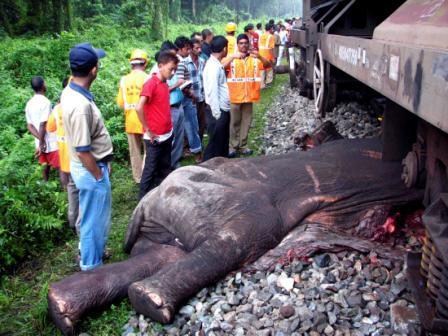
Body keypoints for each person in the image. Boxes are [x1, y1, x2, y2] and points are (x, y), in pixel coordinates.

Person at [61, 43, 113, 271]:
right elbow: (83, 150)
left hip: (90, 166)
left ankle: (93, 254)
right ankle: (92, 268)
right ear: (94, 69)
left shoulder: (72, 90)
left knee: (94, 217)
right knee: (93, 221)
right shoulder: (79, 105)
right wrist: (98, 175)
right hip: (90, 169)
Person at [136, 51, 179, 199]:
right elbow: (138, 107)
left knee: (165, 166)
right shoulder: (151, 83)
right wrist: (148, 130)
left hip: (167, 133)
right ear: (160, 66)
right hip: (155, 137)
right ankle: (142, 200)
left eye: (175, 70)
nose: (172, 73)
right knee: (150, 169)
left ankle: (162, 196)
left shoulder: (164, 83)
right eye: (170, 69)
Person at [223, 34, 270, 158]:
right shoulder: (232, 58)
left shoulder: (254, 59)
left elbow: (267, 64)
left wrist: (259, 55)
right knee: (234, 122)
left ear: (248, 44)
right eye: (241, 43)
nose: (243, 45)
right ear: (237, 45)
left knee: (246, 122)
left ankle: (243, 145)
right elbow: (221, 66)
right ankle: (232, 146)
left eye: (245, 43)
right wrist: (233, 56)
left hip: (249, 96)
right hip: (235, 96)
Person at [47, 77, 80, 233]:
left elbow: (50, 127)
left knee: (71, 190)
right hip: (78, 157)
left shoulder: (57, 109)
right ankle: (80, 223)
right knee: (83, 191)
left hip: (65, 159)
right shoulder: (77, 105)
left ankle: (72, 221)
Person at [116, 49, 149, 184]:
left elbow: (120, 103)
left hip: (130, 121)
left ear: (131, 64)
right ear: (145, 63)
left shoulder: (124, 80)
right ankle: (147, 175)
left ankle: (138, 178)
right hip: (146, 121)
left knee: (134, 152)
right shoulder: (148, 78)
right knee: (149, 150)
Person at [152, 42, 185, 170]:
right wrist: (177, 85)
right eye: (172, 54)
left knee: (178, 136)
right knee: (170, 138)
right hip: (169, 107)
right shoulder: (157, 71)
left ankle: (174, 162)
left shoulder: (172, 67)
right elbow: (162, 90)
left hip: (178, 104)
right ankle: (166, 166)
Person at [25, 76, 60, 181]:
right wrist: (42, 141)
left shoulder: (29, 104)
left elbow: (29, 126)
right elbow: (43, 124)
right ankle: (65, 188)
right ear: (43, 85)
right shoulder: (46, 102)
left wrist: (39, 142)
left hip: (39, 141)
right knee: (60, 166)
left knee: (44, 165)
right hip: (50, 140)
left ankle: (45, 185)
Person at [202, 36, 231, 161]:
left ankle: (223, 165)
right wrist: (217, 114)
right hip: (217, 111)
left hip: (221, 109)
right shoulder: (213, 67)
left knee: (222, 142)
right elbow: (212, 91)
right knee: (215, 144)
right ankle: (206, 168)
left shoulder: (215, 64)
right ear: (224, 49)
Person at [175, 36, 202, 161]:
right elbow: (181, 82)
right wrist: (191, 94)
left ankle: (182, 152)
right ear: (180, 49)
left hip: (179, 99)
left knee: (186, 127)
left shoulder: (177, 61)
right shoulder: (181, 62)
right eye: (187, 48)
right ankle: (197, 153)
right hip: (185, 99)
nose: (189, 51)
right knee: (191, 125)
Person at [185, 38, 207, 142]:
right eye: (197, 48)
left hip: (201, 97)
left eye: (200, 48)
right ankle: (191, 145)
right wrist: (189, 93)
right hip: (190, 99)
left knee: (202, 122)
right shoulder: (184, 63)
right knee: (191, 123)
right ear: (190, 49)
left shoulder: (202, 61)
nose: (199, 50)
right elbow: (183, 82)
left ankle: (199, 143)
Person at [259, 23, 276, 88]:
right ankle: (268, 83)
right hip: (267, 55)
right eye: (272, 28)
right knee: (269, 69)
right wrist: (273, 58)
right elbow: (271, 48)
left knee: (261, 70)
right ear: (271, 29)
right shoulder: (271, 36)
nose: (273, 30)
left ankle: (262, 85)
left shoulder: (261, 35)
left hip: (260, 54)